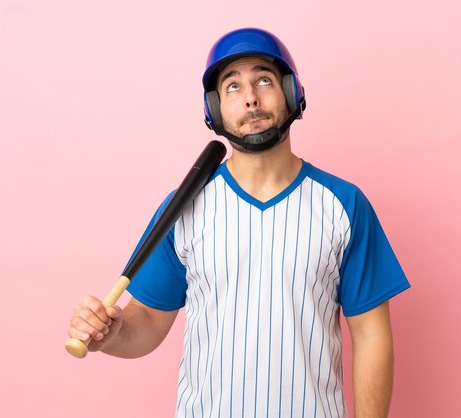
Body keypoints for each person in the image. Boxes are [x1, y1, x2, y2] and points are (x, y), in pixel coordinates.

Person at [68, 28, 410, 418]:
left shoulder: (344, 204)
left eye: (264, 79)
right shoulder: (183, 208)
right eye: (232, 86)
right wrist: (112, 334)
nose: (250, 96)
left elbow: (371, 336)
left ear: (291, 91)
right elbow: (146, 322)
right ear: (214, 108)